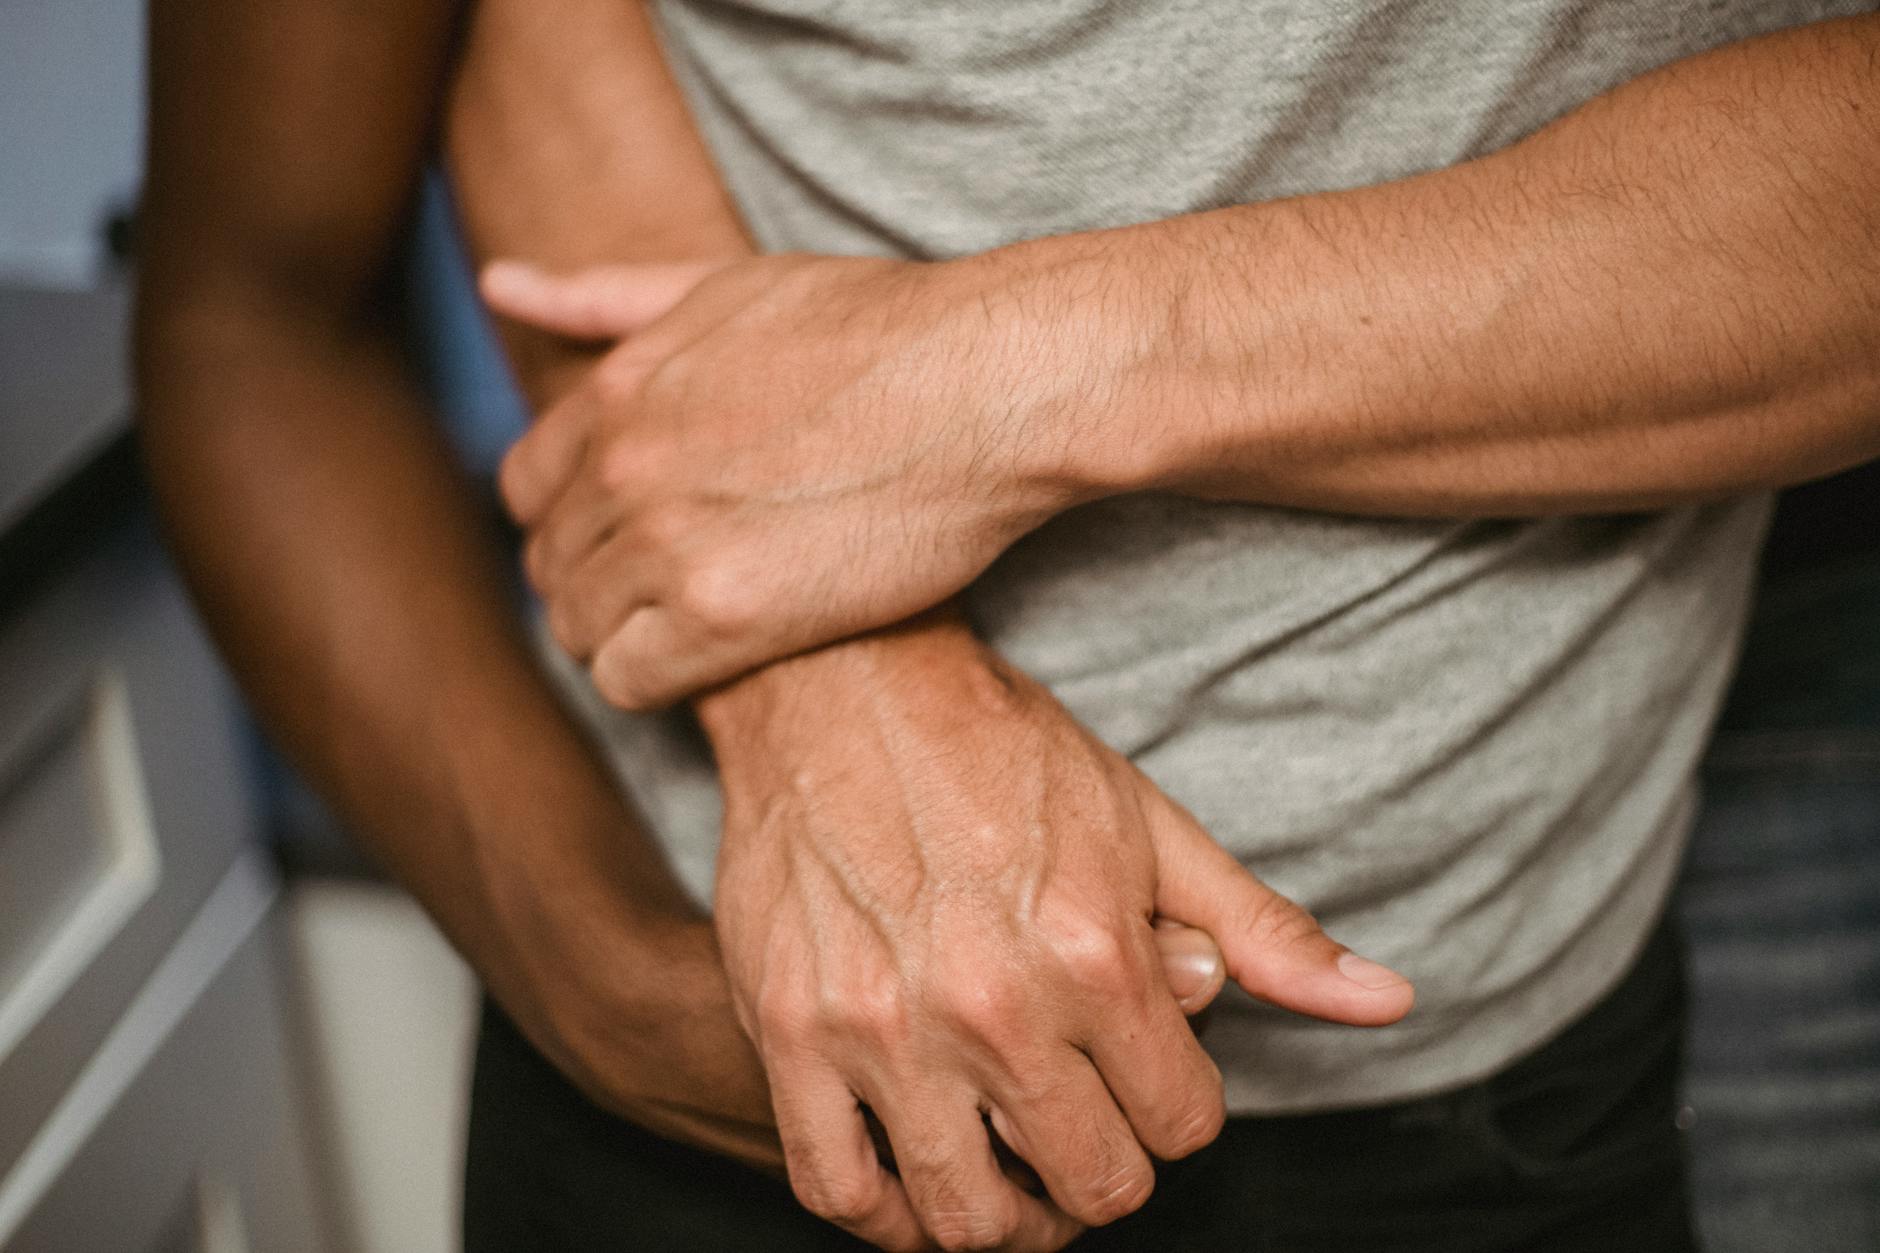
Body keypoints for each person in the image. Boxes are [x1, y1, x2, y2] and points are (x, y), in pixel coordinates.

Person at [136, 1, 1880, 1250]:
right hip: (702, 1073)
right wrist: (594, 976)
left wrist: (996, 376)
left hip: (1487, 1085)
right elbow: (250, 317)